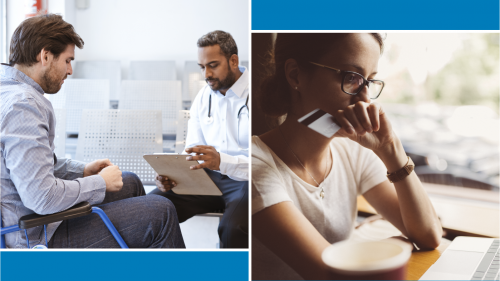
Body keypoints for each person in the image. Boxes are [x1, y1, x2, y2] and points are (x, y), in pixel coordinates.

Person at [252, 33, 443, 279]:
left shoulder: (352, 151)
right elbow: (336, 276)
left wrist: (389, 147)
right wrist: (399, 245)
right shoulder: (255, 167)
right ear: (295, 75)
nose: (364, 99)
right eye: (351, 78)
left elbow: (429, 235)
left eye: (370, 81)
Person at [0, 14, 185, 248]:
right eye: (67, 61)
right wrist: (99, 182)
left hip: (36, 220)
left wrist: (84, 170)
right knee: (162, 211)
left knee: (130, 182)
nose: (70, 70)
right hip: (35, 235)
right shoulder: (23, 105)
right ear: (45, 56)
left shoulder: (8, 90)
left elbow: (27, 166)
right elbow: (42, 197)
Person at [151, 30, 249, 248]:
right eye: (202, 67)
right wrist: (173, 174)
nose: (206, 74)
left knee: (233, 229)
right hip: (208, 178)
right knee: (151, 209)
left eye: (213, 65)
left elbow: (268, 164)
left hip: (247, 180)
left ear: (233, 61)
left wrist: (222, 161)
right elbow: (192, 151)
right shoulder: (204, 96)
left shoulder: (259, 95)